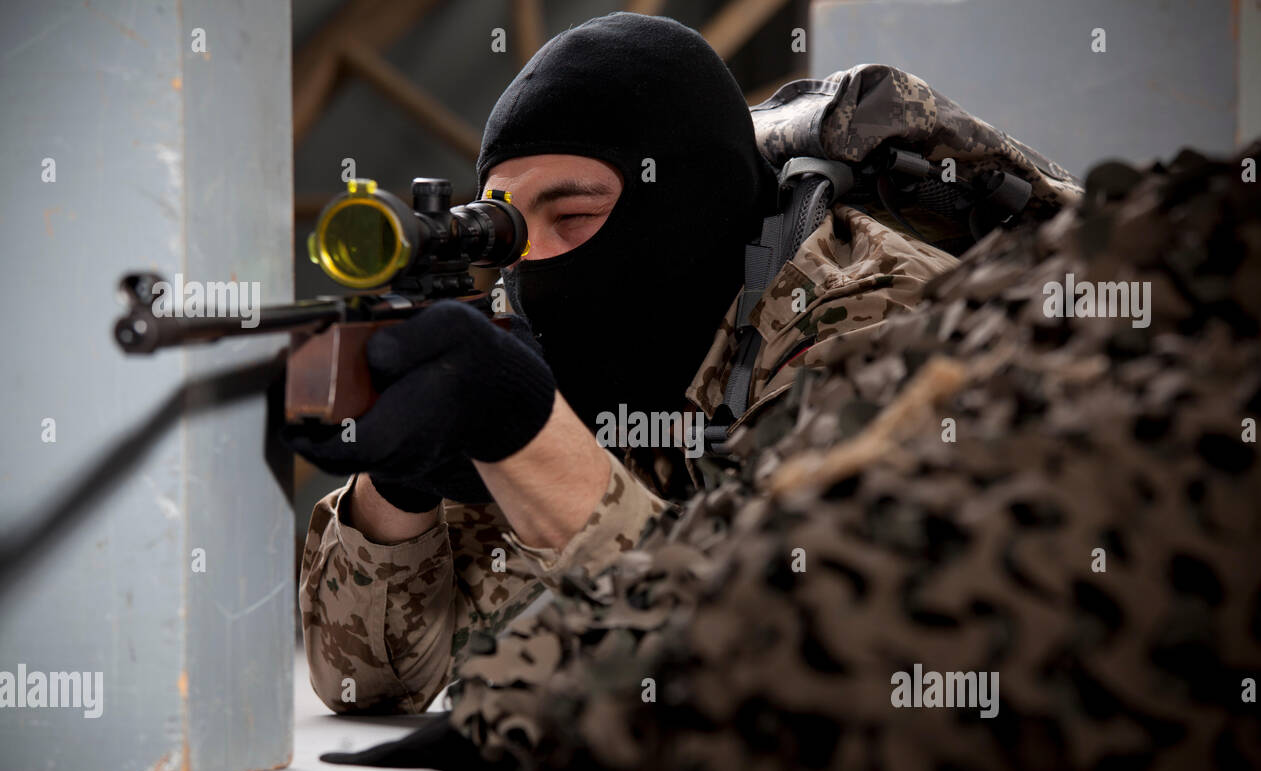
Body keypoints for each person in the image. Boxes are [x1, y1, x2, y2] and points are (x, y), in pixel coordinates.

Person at [285, 12, 957, 718]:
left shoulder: (880, 316)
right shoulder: (564, 331)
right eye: (507, 226)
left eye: (572, 217)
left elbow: (787, 665)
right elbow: (367, 685)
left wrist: (531, 439)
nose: (533, 263)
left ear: (688, 203)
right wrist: (399, 491)